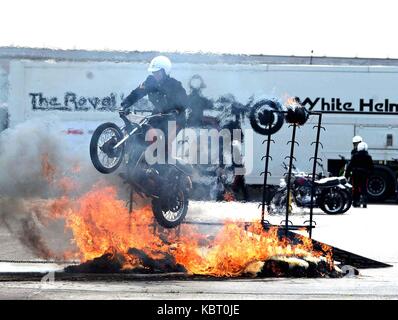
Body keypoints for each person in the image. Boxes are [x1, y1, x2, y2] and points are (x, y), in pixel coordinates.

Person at [120, 56, 189, 166]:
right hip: (159, 114)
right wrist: (125, 104)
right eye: (154, 72)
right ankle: (134, 165)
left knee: (163, 143)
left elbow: (185, 101)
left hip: (175, 118)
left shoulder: (175, 84)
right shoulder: (150, 81)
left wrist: (176, 109)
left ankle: (166, 168)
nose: (155, 74)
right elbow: (137, 93)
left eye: (158, 72)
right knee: (141, 133)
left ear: (165, 71)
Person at [345, 141, 374, 208]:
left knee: (355, 188)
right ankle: (364, 202)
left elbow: (350, 166)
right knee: (364, 188)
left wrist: (347, 175)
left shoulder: (355, 156)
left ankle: (356, 202)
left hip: (356, 174)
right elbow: (371, 167)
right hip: (364, 175)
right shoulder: (368, 157)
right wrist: (369, 174)